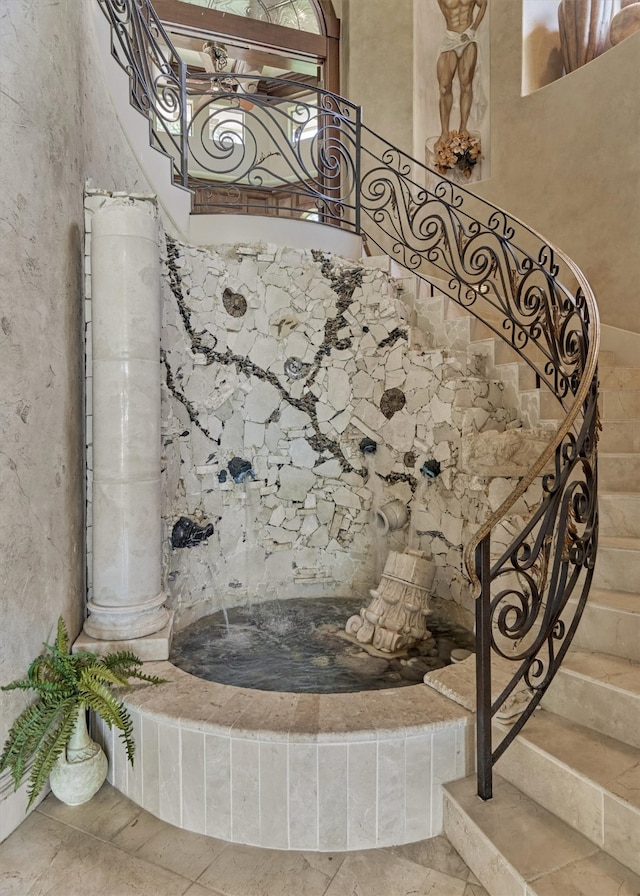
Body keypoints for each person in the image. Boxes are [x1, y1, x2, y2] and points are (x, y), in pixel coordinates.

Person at [436, 0, 488, 151]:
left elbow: (483, 3)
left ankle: (463, 128)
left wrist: (473, 29)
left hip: (468, 38)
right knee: (444, 87)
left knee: (466, 84)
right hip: (450, 39)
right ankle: (444, 132)